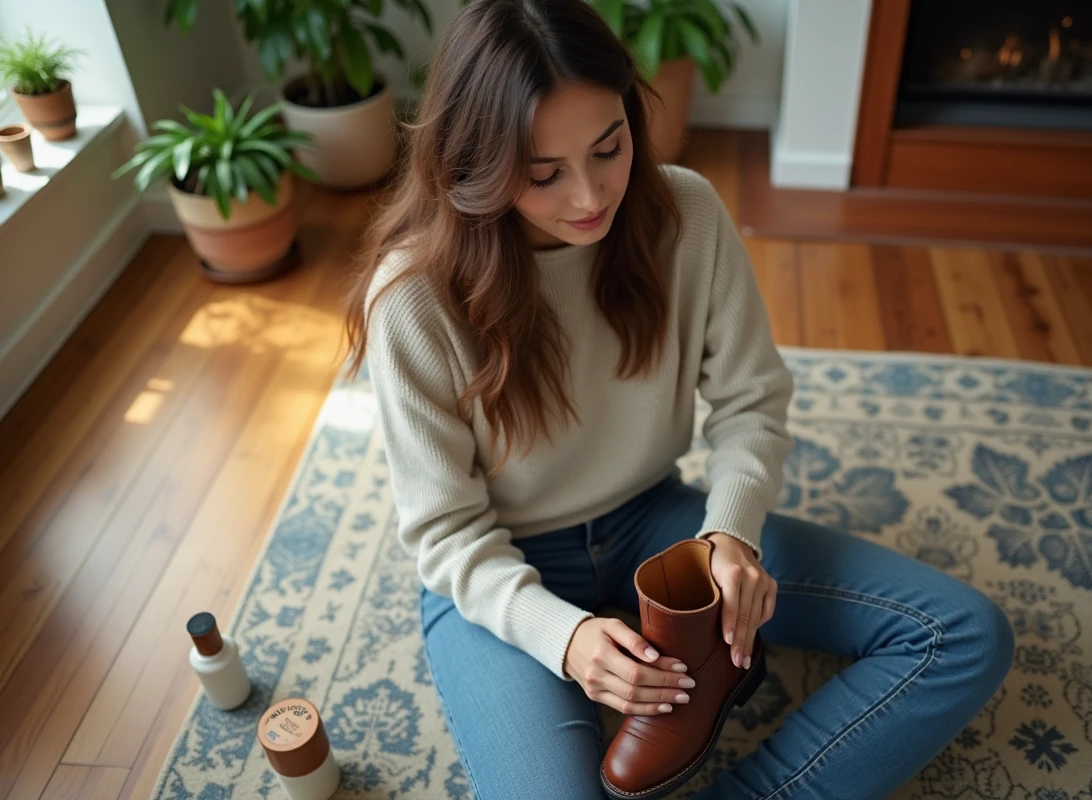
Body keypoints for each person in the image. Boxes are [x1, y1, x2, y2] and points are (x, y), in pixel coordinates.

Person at [343, 0, 1014, 797]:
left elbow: (752, 402)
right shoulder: (414, 299)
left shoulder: (685, 212)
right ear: (476, 164)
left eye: (609, 147)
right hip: (501, 560)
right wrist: (565, 640)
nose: (591, 195)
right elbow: (447, 534)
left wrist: (730, 534)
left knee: (962, 636)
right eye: (544, 173)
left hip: (655, 526)